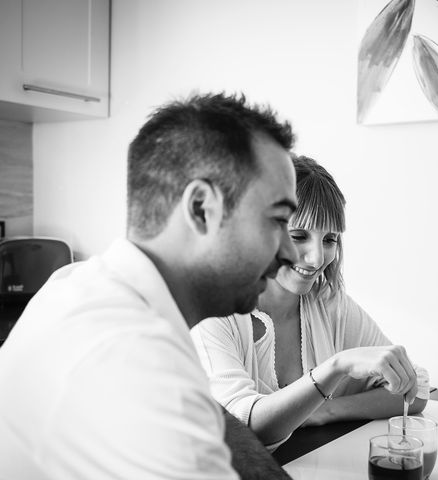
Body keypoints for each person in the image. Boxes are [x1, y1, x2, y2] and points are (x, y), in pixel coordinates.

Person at [0, 92, 308, 479]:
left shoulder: (81, 285)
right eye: (278, 220)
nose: (291, 254)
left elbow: (217, 422)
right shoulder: (134, 359)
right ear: (200, 209)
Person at [191, 155, 429, 449]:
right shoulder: (212, 311)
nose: (317, 258)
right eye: (299, 236)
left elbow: (415, 391)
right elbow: (246, 427)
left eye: (329, 239)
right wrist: (336, 367)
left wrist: (325, 410)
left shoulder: (326, 301)